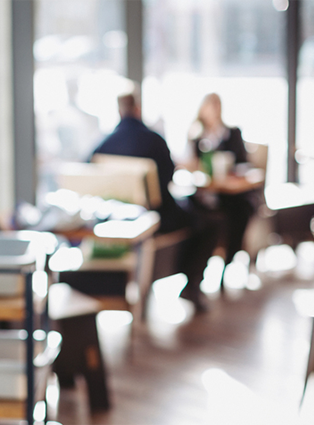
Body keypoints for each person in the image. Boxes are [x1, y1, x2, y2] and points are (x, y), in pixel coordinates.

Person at [91, 89, 218, 312]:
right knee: (207, 223)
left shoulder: (104, 143)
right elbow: (169, 178)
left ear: (119, 111)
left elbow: (91, 173)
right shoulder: (154, 139)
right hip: (156, 216)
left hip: (119, 218)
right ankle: (192, 285)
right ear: (138, 109)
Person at [190, 93, 255, 267]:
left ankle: (229, 260)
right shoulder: (198, 137)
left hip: (231, 194)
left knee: (239, 212)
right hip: (206, 194)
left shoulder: (231, 133)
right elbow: (193, 165)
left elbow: (244, 163)